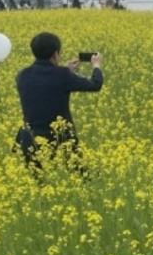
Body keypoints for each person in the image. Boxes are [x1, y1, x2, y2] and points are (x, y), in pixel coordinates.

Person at [15, 33, 103, 163]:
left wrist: (66, 71)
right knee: (79, 174)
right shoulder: (63, 75)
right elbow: (95, 85)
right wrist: (96, 66)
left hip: (30, 141)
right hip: (61, 140)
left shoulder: (22, 75)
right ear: (56, 54)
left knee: (37, 176)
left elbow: (43, 83)